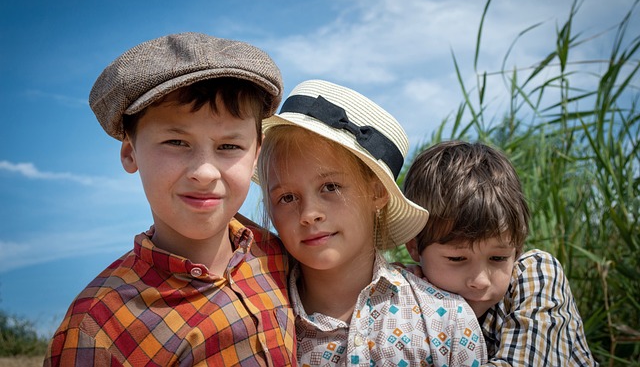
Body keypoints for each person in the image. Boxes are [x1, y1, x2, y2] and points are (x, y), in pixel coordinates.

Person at [44, 32, 297, 366]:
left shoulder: (280, 255)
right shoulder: (97, 327)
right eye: (176, 142)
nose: (205, 172)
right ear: (131, 154)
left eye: (229, 147)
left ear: (255, 156)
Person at [256, 79, 487, 366]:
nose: (309, 213)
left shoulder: (446, 319)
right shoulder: (256, 321)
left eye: (331, 187)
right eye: (287, 197)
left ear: (378, 192)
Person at [403, 140, 598, 366]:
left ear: (516, 248)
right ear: (415, 247)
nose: (481, 281)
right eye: (457, 258)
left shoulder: (537, 274)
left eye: (498, 258)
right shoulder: (408, 290)